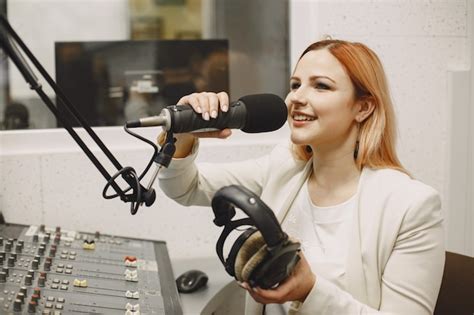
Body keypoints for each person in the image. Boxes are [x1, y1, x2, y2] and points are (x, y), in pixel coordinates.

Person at [157, 39, 445, 314]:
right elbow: (186, 187)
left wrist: (310, 291)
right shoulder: (284, 167)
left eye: (321, 86)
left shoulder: (411, 206)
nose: (297, 97)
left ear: (363, 107)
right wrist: (183, 132)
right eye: (295, 85)